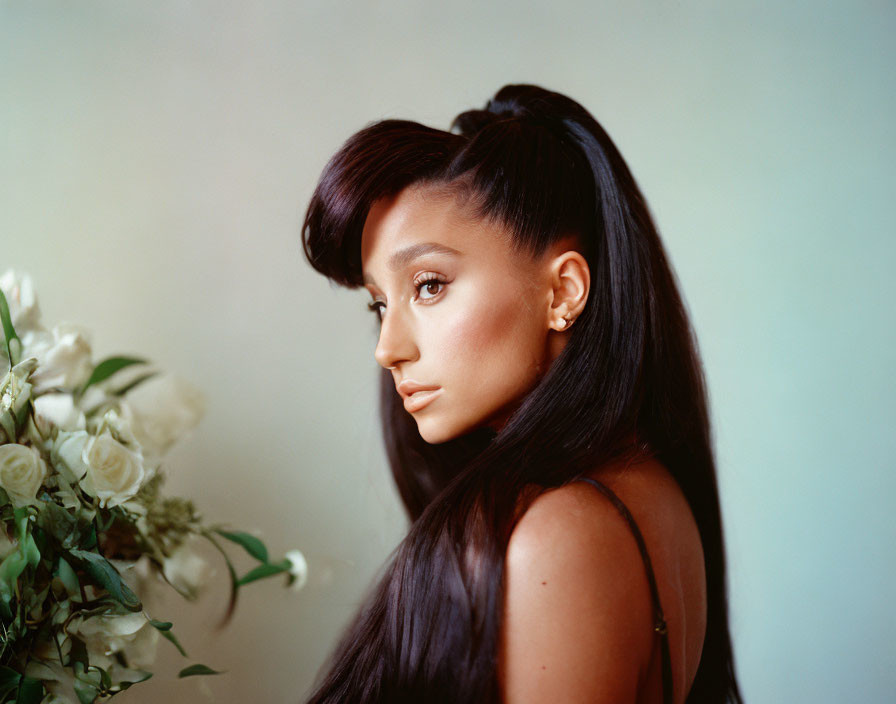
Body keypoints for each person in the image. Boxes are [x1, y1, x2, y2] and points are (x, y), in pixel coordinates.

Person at [300, 83, 743, 703]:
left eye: (428, 285)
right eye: (380, 304)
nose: (387, 347)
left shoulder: (562, 535)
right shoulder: (644, 487)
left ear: (562, 292)